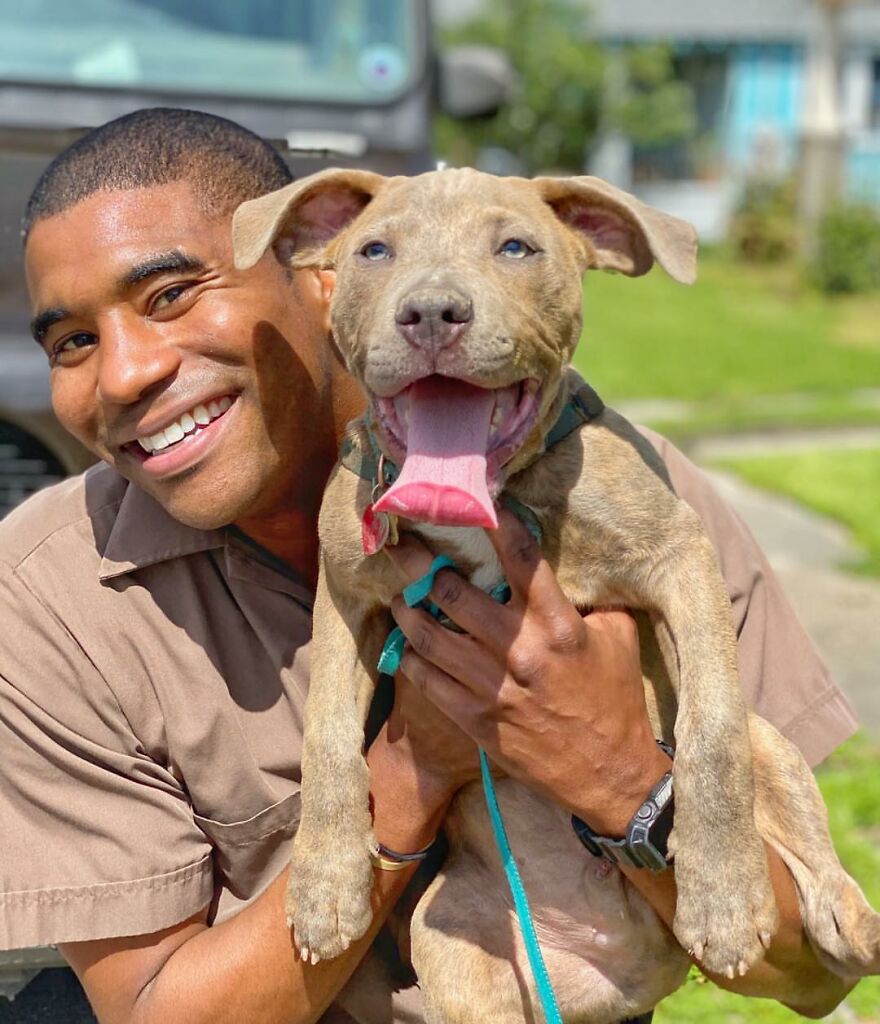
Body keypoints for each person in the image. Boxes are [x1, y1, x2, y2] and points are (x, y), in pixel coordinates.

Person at [0, 107, 860, 1024]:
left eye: (173, 295)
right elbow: (155, 1012)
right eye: (73, 342)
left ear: (316, 279)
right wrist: (416, 767)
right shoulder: (47, 596)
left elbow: (809, 976)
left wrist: (618, 779)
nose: (125, 373)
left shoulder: (639, 499)